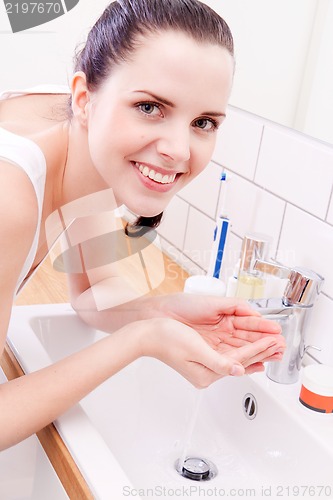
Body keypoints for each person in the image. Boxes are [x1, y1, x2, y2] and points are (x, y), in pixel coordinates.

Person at [0, 0, 285, 451]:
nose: (177, 149)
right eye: (150, 107)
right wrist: (140, 339)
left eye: (203, 122)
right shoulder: (8, 197)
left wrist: (165, 312)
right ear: (83, 97)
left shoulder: (81, 140)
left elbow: (94, 289)